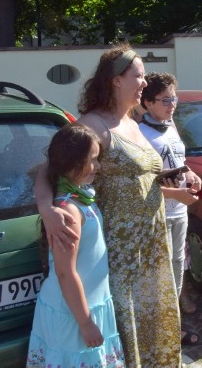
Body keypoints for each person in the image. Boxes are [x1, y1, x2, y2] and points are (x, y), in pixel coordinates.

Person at [34, 44, 181, 367]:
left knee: (154, 323)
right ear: (116, 80)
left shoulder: (134, 120)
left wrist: (174, 178)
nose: (144, 82)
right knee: (127, 328)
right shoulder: (92, 125)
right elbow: (48, 167)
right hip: (121, 253)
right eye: (138, 76)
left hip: (151, 247)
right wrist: (47, 209)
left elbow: (139, 173)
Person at [27, 123, 125, 367]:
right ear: (72, 161)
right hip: (74, 313)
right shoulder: (68, 211)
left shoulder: (80, 196)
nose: (98, 166)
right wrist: (85, 323)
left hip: (89, 303)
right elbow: (64, 272)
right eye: (92, 160)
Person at [138, 72, 202, 344]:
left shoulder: (171, 126)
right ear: (147, 103)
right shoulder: (140, 134)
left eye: (173, 98)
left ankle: (173, 326)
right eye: (165, 100)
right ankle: (158, 329)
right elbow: (139, 185)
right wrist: (176, 193)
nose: (171, 104)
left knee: (178, 266)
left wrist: (191, 176)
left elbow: (180, 161)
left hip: (179, 212)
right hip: (157, 212)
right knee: (157, 272)